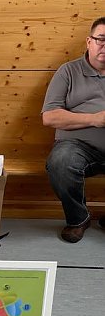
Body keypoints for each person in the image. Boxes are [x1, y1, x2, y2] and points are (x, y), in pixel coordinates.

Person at [42, 17, 105, 242]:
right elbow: (49, 117)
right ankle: (78, 219)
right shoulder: (68, 71)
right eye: (101, 39)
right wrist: (94, 119)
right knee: (61, 161)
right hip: (78, 147)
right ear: (89, 41)